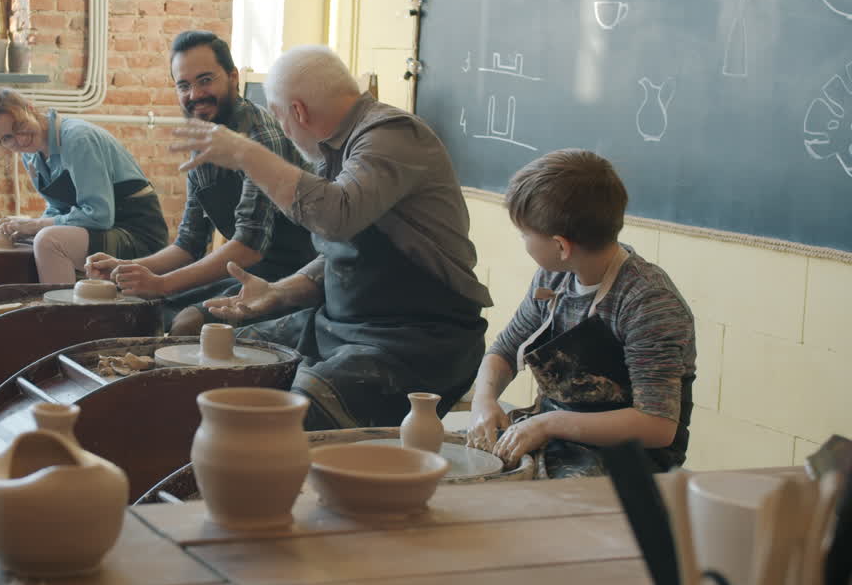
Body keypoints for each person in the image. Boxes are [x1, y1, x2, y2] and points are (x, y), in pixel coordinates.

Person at [169, 44, 492, 429]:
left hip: (418, 341)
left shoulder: (391, 136)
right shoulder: (335, 150)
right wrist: (279, 292)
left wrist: (245, 153)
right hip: (339, 326)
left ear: (297, 112)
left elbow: (335, 216)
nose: (285, 132)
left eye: (281, 119)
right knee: (216, 356)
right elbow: (342, 253)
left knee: (287, 417)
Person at [465, 149, 696, 477]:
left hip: (630, 461)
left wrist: (549, 424)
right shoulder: (554, 277)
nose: (523, 242)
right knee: (461, 470)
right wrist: (483, 401)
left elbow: (657, 425)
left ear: (561, 246)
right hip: (558, 436)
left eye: (524, 234)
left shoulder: (646, 301)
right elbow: (504, 350)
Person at [85, 31, 315, 333]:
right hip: (245, 269)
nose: (194, 95)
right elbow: (189, 243)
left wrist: (162, 284)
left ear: (232, 77)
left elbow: (250, 246)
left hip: (295, 276)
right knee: (138, 310)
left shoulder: (261, 134)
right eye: (184, 85)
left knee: (188, 324)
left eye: (205, 80)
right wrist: (127, 268)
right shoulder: (204, 136)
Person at [0, 87, 168, 284]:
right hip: (97, 229)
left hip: (135, 232)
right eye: (7, 138)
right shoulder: (30, 153)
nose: (20, 140)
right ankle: (26, 303)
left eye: (20, 126)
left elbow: (100, 215)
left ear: (30, 109)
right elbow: (58, 209)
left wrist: (35, 226)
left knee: (47, 241)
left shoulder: (77, 139)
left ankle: (62, 311)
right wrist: (24, 227)